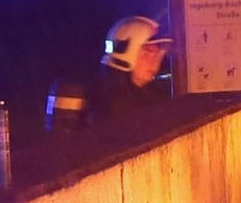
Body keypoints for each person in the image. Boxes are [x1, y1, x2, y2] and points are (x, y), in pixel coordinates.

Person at [44, 13, 178, 133]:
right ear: (126, 53)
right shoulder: (102, 101)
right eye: (147, 53)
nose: (154, 62)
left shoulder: (151, 98)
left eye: (158, 54)